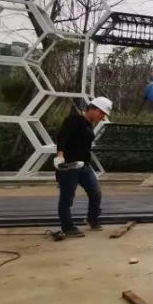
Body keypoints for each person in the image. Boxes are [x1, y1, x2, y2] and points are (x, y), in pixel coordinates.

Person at [53, 96, 112, 239]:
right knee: (67, 198)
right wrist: (60, 156)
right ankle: (67, 228)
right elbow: (62, 138)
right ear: (93, 109)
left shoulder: (88, 124)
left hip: (84, 165)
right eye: (101, 113)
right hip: (69, 166)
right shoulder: (73, 120)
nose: (102, 117)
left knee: (95, 192)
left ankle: (92, 219)